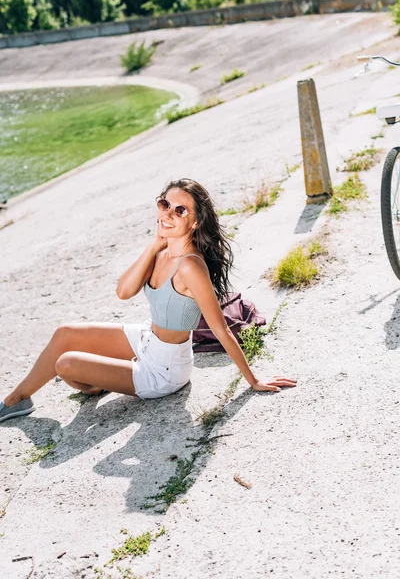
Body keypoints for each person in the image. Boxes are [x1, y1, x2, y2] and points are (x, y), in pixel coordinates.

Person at [0, 179, 296, 422]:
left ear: (195, 222)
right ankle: (75, 386)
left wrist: (253, 381)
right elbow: (123, 292)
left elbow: (220, 329)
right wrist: (156, 242)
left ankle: (16, 401)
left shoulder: (190, 266)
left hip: (164, 369)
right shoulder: (162, 253)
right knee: (65, 333)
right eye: (165, 204)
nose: (168, 214)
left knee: (64, 363)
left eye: (180, 211)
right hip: (145, 338)